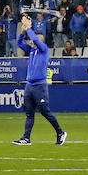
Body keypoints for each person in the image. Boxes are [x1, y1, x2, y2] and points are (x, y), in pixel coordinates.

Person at [13, 14, 67, 146]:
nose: (34, 40)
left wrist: (29, 27)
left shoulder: (44, 50)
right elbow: (19, 43)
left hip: (39, 86)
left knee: (45, 111)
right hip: (30, 86)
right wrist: (23, 31)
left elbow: (36, 41)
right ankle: (26, 138)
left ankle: (60, 132)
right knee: (29, 114)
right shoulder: (32, 50)